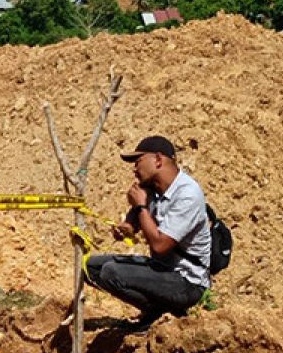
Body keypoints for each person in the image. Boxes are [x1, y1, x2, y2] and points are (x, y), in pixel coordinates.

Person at [85, 135, 212, 329]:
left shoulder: (188, 194)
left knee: (111, 272)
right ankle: (157, 309)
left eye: (138, 161)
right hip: (162, 270)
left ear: (158, 160)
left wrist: (141, 206)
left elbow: (160, 245)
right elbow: (134, 223)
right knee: (90, 267)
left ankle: (158, 313)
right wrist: (126, 228)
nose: (135, 169)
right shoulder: (153, 189)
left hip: (187, 281)